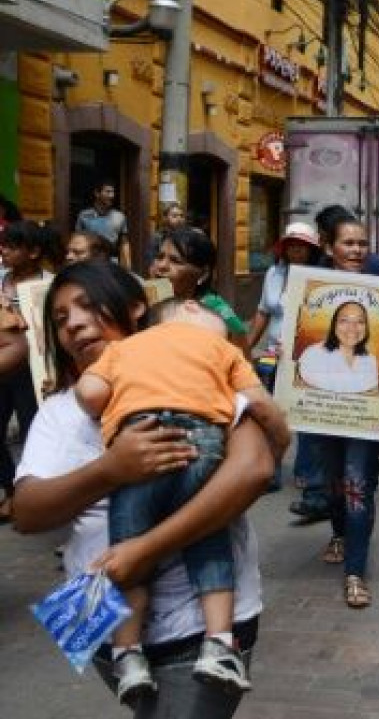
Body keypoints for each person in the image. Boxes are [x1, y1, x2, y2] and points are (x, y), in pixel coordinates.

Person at [13, 260, 273, 718]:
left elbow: (253, 471)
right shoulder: (61, 412)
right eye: (59, 319)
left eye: (88, 306)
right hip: (100, 619)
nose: (73, 323)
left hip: (199, 626)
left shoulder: (200, 379)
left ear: (135, 308)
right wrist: (112, 469)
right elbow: (27, 513)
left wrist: (145, 549)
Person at [73, 298, 289, 703]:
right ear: (190, 309)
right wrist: (282, 440)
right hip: (202, 444)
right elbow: (261, 404)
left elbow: (89, 392)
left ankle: (128, 654)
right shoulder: (224, 351)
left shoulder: (122, 349)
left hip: (140, 444)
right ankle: (220, 644)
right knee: (207, 533)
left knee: (127, 552)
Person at [305, 216, 379, 608]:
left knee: (358, 487)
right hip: (323, 416)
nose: (356, 250)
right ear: (329, 247)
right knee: (334, 483)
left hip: (365, 422)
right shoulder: (310, 287)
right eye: (348, 243)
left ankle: (355, 572)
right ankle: (339, 533)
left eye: (361, 243)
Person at [0, 220, 60, 522]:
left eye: (13, 246)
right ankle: (10, 494)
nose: (4, 251)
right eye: (3, 245)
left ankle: (33, 496)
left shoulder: (48, 284)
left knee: (32, 432)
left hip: (31, 373)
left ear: (34, 252)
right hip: (1, 369)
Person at [245, 221, 322, 390]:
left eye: (302, 245)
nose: (296, 249)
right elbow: (263, 312)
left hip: (305, 357)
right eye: (291, 245)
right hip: (273, 353)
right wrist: (245, 348)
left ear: (311, 250)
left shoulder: (319, 278)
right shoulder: (273, 273)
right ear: (284, 248)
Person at [150, 228, 248, 352]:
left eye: (176, 261)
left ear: (203, 273)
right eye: (159, 257)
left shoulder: (218, 315)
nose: (162, 266)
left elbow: (243, 365)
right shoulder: (152, 298)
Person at [297, 300, 379, 393]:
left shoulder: (370, 360)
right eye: (344, 320)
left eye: (360, 321)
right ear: (334, 325)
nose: (352, 327)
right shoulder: (313, 354)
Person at [76, 179, 131, 269]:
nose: (112, 195)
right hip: (89, 262)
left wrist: (128, 266)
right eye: (108, 192)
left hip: (111, 262)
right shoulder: (84, 215)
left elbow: (124, 243)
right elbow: (78, 241)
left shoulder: (120, 217)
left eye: (113, 192)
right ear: (97, 193)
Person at [148, 202, 186, 268]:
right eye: (175, 216)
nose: (179, 219)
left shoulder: (189, 237)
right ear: (165, 218)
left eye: (181, 216)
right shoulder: (157, 237)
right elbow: (152, 262)